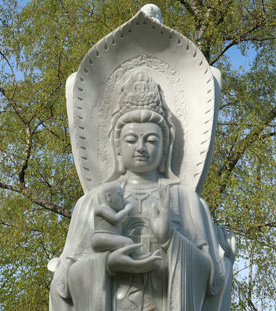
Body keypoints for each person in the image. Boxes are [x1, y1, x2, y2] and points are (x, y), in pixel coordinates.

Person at [50, 71, 236, 311]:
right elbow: (64, 284)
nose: (140, 148)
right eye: (130, 140)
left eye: (150, 140)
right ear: (117, 147)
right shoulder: (94, 201)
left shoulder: (184, 199)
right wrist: (106, 264)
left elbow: (213, 279)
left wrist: (172, 239)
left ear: (165, 147)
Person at [91, 183, 134, 252]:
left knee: (127, 241)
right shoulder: (100, 208)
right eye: (120, 195)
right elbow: (115, 219)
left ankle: (133, 255)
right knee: (128, 242)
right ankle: (134, 256)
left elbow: (120, 222)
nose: (123, 200)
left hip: (110, 237)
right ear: (109, 196)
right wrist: (127, 209)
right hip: (100, 238)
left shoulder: (113, 211)